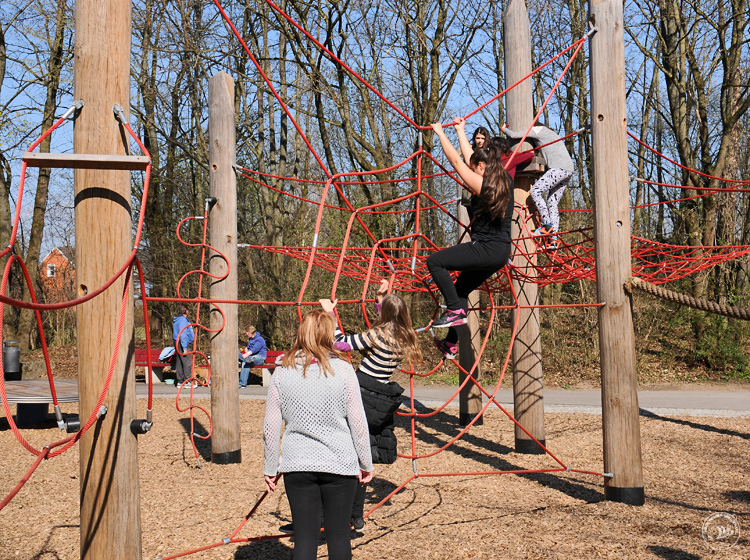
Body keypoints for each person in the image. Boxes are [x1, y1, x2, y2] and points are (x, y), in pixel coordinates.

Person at [263, 310, 374, 560]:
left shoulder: (281, 372)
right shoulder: (344, 371)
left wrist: (271, 467)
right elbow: (358, 422)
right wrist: (366, 463)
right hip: (339, 464)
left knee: (304, 538)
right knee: (338, 537)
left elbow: (270, 425)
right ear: (329, 335)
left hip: (297, 465)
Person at [319, 278, 422, 531]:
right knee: (359, 457)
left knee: (347, 455)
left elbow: (342, 343)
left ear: (385, 315)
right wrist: (381, 297)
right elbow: (386, 320)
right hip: (381, 395)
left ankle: (339, 513)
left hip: (363, 391)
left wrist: (330, 314)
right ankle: (356, 515)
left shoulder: (378, 334)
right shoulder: (403, 335)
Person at [427, 122, 515, 357]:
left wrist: (440, 133)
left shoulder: (483, 185)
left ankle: (454, 311)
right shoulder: (504, 179)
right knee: (461, 289)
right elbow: (469, 159)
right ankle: (451, 343)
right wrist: (459, 131)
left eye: (475, 167)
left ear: (483, 167)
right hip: (501, 253)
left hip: (485, 248)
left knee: (435, 262)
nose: (471, 170)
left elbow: (458, 162)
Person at [502, 122, 574, 248]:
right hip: (568, 169)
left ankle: (546, 225)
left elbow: (515, 136)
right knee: (552, 201)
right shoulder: (551, 133)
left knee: (535, 191)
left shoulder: (537, 130)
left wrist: (504, 130)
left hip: (558, 168)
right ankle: (553, 239)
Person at [454, 117, 533, 179]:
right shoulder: (474, 150)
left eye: (482, 138)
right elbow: (469, 161)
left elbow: (468, 161)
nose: (480, 141)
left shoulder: (492, 156)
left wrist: (460, 130)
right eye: (478, 138)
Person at [172, 305, 195, 388]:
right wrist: (184, 347)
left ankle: (180, 381)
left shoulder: (178, 319)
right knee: (187, 362)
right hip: (182, 343)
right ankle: (187, 381)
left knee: (180, 362)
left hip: (178, 342)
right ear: (186, 311)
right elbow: (183, 334)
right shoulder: (182, 320)